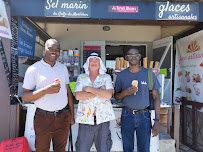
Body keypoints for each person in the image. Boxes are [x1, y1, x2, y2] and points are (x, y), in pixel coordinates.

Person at [22, 39, 75, 152]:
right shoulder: (33, 69)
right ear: (44, 49)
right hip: (43, 117)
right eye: (51, 49)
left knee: (61, 149)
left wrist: (71, 115)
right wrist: (45, 90)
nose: (54, 52)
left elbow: (68, 92)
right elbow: (25, 96)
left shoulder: (62, 68)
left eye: (57, 50)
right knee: (42, 149)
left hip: (63, 116)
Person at [114, 47, 161, 152]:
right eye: (130, 55)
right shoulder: (121, 76)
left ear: (140, 57)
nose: (133, 57)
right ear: (126, 57)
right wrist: (126, 93)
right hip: (127, 115)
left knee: (144, 148)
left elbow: (156, 97)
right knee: (127, 148)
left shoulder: (148, 74)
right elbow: (116, 96)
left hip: (144, 115)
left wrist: (157, 121)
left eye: (136, 54)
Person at [74, 52, 115, 152]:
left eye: (96, 60)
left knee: (104, 148)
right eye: (91, 60)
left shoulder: (106, 77)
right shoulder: (81, 77)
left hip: (103, 120)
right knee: (82, 149)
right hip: (85, 120)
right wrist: (100, 90)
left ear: (100, 63)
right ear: (87, 63)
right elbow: (78, 96)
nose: (94, 62)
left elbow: (109, 95)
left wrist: (88, 89)